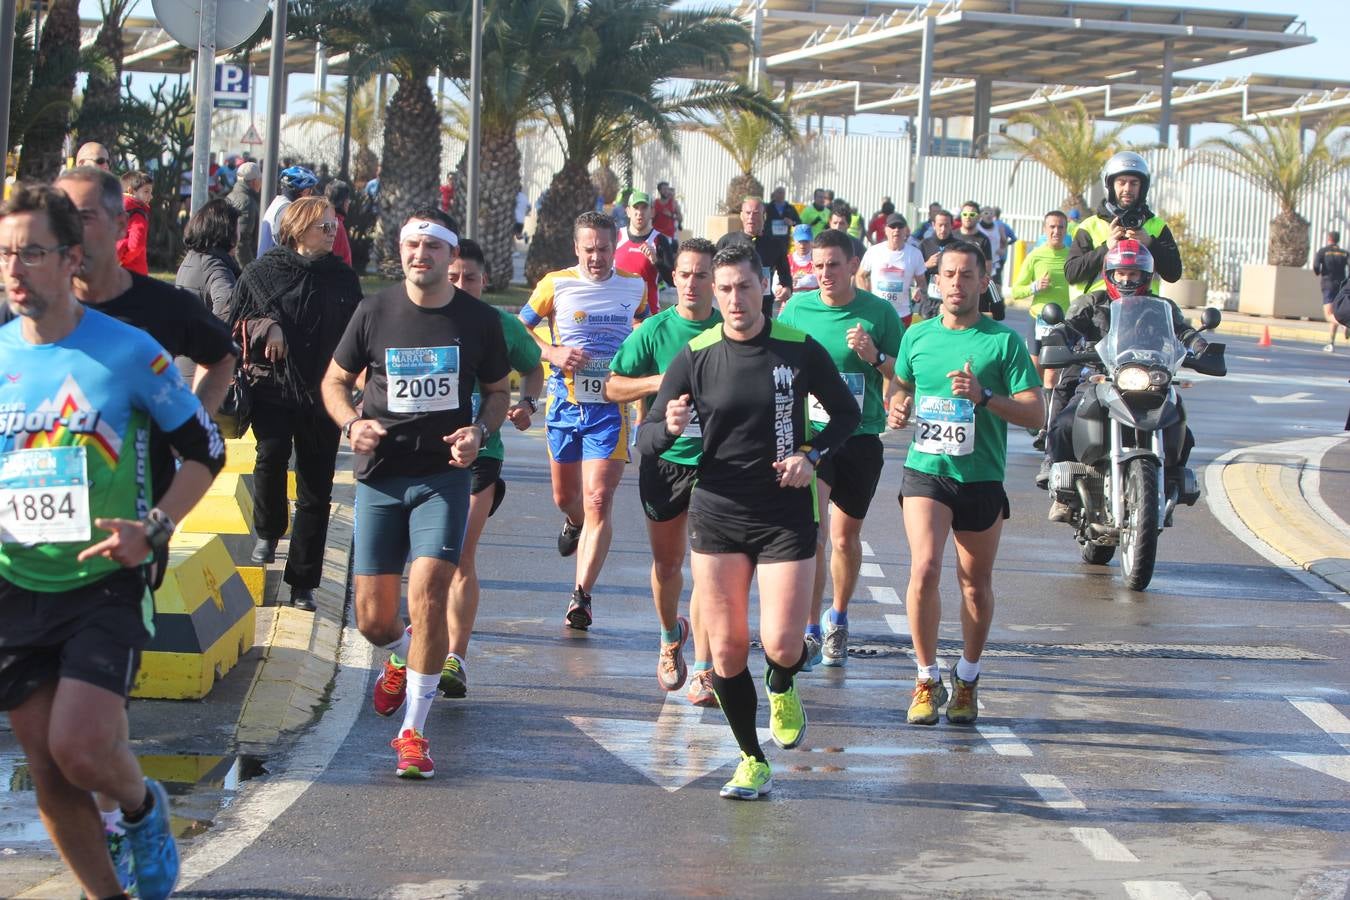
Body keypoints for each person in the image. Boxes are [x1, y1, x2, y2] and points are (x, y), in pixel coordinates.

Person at [0, 181, 226, 900]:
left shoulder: (128, 352)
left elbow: (206, 447)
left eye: (31, 253)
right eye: (4, 253)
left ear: (70, 258)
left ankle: (139, 807)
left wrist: (155, 527)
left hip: (105, 576)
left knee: (80, 747)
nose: (14, 269)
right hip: (13, 583)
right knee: (47, 766)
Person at [637, 241, 859, 800]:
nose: (735, 299)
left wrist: (811, 456)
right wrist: (668, 424)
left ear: (764, 288)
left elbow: (847, 414)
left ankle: (782, 682)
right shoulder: (696, 354)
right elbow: (647, 438)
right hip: (718, 510)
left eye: (744, 287)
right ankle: (751, 758)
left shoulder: (798, 347)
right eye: (724, 287)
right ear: (713, 290)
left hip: (784, 511)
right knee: (729, 650)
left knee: (782, 643)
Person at [322, 209, 508, 779]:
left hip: (442, 479)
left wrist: (480, 431)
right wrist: (353, 424)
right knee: (374, 623)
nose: (418, 254)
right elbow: (333, 380)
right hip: (380, 475)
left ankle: (413, 733)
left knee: (428, 590)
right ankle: (401, 654)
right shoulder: (374, 311)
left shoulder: (478, 320)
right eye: (410, 244)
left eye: (430, 245)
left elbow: (498, 391)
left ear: (451, 256)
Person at [886, 239, 1042, 727]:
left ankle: (968, 679)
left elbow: (1036, 414)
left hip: (980, 477)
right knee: (925, 568)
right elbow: (902, 385)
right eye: (948, 275)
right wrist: (896, 403)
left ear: (983, 279)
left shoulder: (1003, 342)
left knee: (974, 584)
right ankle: (926, 678)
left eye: (966, 275)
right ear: (938, 281)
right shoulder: (918, 336)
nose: (956, 284)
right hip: (927, 471)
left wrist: (984, 395)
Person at [44, 166, 236, 525]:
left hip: (126, 537)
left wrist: (193, 419)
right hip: (33, 544)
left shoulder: (166, 307)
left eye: (84, 217)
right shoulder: (27, 312)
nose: (70, 230)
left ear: (120, 224)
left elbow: (223, 357)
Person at [520, 211, 652, 630]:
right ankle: (573, 521)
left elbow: (647, 328)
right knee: (568, 498)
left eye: (604, 248)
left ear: (616, 247)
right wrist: (552, 352)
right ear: (577, 248)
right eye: (589, 249)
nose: (597, 257)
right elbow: (517, 328)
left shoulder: (635, 285)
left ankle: (581, 596)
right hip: (563, 404)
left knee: (599, 499)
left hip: (610, 408)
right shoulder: (554, 283)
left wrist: (634, 349)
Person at [229, 197, 363, 610]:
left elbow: (360, 334)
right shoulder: (261, 272)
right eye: (323, 226)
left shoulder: (342, 278)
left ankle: (303, 582)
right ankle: (268, 530)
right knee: (269, 457)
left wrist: (361, 380)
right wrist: (267, 326)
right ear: (298, 228)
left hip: (324, 392)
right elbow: (233, 323)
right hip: (272, 387)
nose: (331, 232)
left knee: (315, 490)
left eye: (333, 225)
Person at [778, 229, 903, 669]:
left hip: (862, 436)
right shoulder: (798, 309)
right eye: (818, 266)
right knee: (814, 533)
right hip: (812, 436)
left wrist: (873, 357)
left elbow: (902, 376)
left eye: (834, 264)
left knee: (845, 537)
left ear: (853, 266)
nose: (826, 273)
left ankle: (839, 618)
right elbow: (776, 362)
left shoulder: (879, 313)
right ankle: (810, 628)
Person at [607, 237, 721, 704]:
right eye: (685, 274)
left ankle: (704, 668)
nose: (692, 283)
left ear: (715, 280)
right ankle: (669, 635)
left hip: (717, 466)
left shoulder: (730, 329)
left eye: (701, 275)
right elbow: (612, 385)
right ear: (673, 278)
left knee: (710, 569)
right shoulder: (654, 331)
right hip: (664, 461)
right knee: (668, 564)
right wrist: (660, 381)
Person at [441, 238, 544, 698]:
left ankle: (454, 659)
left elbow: (533, 367)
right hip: (427, 453)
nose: (462, 285)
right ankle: (415, 646)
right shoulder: (425, 320)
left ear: (485, 281)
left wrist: (526, 402)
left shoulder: (501, 326)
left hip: (484, 451)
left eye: (471, 278)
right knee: (429, 558)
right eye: (454, 277)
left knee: (461, 553)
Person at [1042, 240, 1208, 522]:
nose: (1127, 279)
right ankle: (1063, 494)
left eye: (1133, 274)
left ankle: (1169, 485)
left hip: (1149, 381)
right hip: (1099, 377)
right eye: (1121, 273)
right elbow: (1070, 328)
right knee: (1064, 424)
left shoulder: (1161, 307)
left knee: (1181, 428)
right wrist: (1060, 337)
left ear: (1145, 276)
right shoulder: (1092, 303)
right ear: (1110, 274)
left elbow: (1182, 331)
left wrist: (1198, 343)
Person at [1064, 151, 1181, 298]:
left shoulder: (1156, 226)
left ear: (1142, 187)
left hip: (1144, 310)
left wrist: (1150, 243)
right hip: (1095, 312)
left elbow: (1174, 274)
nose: (1127, 189)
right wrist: (1106, 247)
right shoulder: (1090, 226)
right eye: (1121, 182)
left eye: (1134, 183)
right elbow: (1071, 273)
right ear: (1110, 186)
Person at [1013, 211, 1072, 455]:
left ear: (1066, 230)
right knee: (1035, 370)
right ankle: (1037, 416)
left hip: (1063, 323)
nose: (1056, 232)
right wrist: (1036, 287)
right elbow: (1016, 291)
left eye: (1060, 227)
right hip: (1038, 320)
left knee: (1052, 375)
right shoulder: (1036, 256)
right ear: (1044, 229)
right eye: (1051, 227)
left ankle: (1046, 425)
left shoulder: (1071, 258)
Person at [716, 196, 792, 320]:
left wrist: (787, 288)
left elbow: (785, 272)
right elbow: (712, 269)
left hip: (764, 304)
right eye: (748, 213)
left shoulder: (775, 244)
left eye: (756, 213)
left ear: (764, 216)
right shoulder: (727, 241)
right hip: (734, 301)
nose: (751, 217)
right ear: (741, 216)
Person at [175, 197, 241, 321]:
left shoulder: (191, 257)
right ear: (227, 233)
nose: (239, 237)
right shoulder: (216, 268)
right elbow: (228, 310)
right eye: (237, 229)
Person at [858, 212, 927, 324]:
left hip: (902, 313)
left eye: (900, 227)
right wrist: (867, 296)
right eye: (892, 226)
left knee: (899, 342)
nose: (896, 230)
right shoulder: (874, 251)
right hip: (877, 311)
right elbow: (860, 276)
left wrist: (918, 290)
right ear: (885, 230)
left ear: (906, 230)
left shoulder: (915, 253)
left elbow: (921, 282)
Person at [615, 190, 675, 311]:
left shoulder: (660, 240)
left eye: (644, 208)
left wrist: (656, 261)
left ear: (652, 212)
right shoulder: (616, 236)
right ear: (628, 211)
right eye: (636, 208)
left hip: (648, 316)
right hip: (616, 313)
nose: (639, 213)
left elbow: (672, 280)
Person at [258, 165, 318, 256]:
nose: (310, 195)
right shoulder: (287, 210)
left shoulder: (279, 203)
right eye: (310, 191)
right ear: (304, 191)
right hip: (273, 266)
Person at [1314, 231, 1349, 352]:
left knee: (1329, 315)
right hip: (1341, 285)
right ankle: (1331, 342)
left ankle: (1345, 324)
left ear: (1329, 239)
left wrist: (1318, 273)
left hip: (1328, 284)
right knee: (1335, 312)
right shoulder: (1344, 253)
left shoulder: (1323, 251)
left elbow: (1316, 267)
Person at [116, 171, 152, 276]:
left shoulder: (113, 208)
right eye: (146, 191)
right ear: (131, 191)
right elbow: (137, 244)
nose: (150, 196)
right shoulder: (138, 212)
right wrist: (122, 260)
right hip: (134, 272)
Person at [228, 161, 263, 267]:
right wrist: (249, 270)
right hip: (240, 266)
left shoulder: (230, 196)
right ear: (253, 182)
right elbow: (242, 242)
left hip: (230, 262)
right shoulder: (247, 202)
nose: (261, 183)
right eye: (260, 179)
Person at [765, 185, 802, 255]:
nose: (780, 195)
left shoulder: (790, 208)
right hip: (770, 241)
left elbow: (799, 223)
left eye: (782, 193)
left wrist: (792, 222)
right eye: (779, 192)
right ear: (774, 194)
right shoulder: (768, 207)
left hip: (784, 242)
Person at [326, 180, 354, 268]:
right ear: (342, 202)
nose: (348, 203)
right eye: (347, 199)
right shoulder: (337, 227)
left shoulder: (324, 221)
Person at [786, 224, 818, 294]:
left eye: (806, 241)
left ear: (812, 241)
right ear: (794, 241)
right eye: (799, 241)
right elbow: (775, 286)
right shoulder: (786, 260)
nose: (802, 245)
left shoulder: (817, 259)